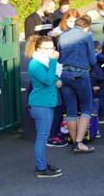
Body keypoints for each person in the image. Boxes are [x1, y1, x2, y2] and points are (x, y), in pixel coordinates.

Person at [57, 14, 97, 153]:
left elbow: (60, 56)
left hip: (65, 75)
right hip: (80, 75)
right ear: (86, 26)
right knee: (87, 108)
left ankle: (74, 142)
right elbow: (92, 59)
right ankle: (79, 142)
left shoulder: (62, 36)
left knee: (71, 110)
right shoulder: (86, 36)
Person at [25, 35, 63, 179]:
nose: (51, 51)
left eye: (52, 48)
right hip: (40, 105)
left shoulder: (43, 62)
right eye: (48, 49)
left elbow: (50, 77)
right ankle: (41, 168)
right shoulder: (35, 64)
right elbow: (47, 80)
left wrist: (57, 80)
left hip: (45, 103)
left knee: (43, 136)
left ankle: (42, 164)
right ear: (39, 49)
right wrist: (54, 61)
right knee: (42, 137)